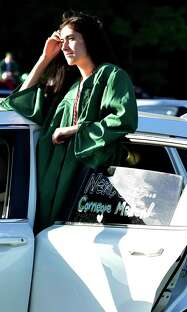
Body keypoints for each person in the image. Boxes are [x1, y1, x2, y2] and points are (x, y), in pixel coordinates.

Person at [0, 11, 138, 231]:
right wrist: (45, 58)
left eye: (71, 39)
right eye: (62, 41)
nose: (64, 46)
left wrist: (72, 131)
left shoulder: (110, 76)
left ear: (90, 40)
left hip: (82, 188)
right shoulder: (69, 89)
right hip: (48, 182)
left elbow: (123, 119)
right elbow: (13, 106)